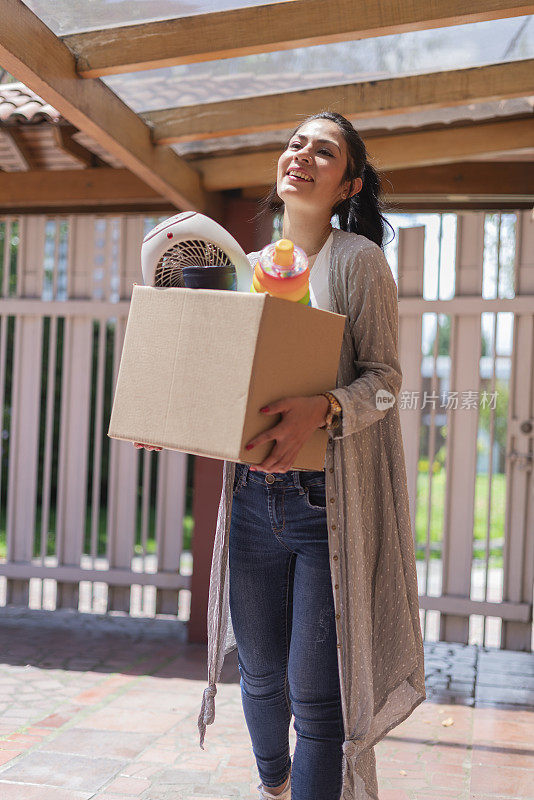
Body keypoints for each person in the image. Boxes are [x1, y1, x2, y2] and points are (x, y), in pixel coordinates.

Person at [139, 110, 427, 800]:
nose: (301, 155)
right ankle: (275, 785)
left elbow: (388, 386)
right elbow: (222, 381)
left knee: (314, 697)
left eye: (323, 152)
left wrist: (324, 408)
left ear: (348, 183)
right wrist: (169, 414)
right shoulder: (249, 268)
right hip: (248, 501)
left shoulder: (358, 262)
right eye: (296, 143)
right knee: (261, 677)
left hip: (324, 508)